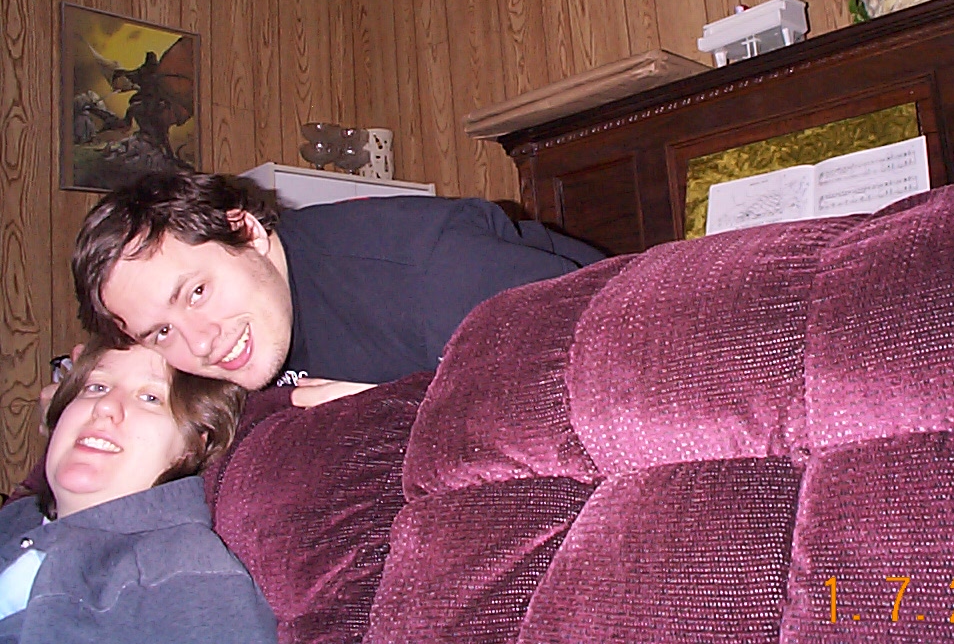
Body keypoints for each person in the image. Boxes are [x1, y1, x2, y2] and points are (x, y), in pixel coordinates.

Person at [71, 170, 604, 396]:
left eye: (196, 293)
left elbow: (604, 369)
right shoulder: (220, 345)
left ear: (248, 232)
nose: (202, 343)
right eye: (161, 332)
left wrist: (401, 409)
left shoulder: (424, 276)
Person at [0, 343, 277, 643]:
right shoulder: (16, 517)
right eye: (96, 387)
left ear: (192, 446)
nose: (104, 406)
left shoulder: (188, 579)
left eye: (150, 397)